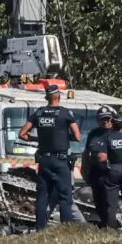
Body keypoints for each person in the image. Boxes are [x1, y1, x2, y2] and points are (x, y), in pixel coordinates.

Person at [19, 84, 81, 231]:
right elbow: (78, 137)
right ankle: (66, 230)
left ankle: (40, 229)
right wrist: (65, 137)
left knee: (42, 197)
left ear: (47, 97)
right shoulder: (65, 113)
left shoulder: (38, 113)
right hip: (60, 160)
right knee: (65, 197)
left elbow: (22, 134)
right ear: (58, 97)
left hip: (44, 161)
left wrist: (36, 139)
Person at [81, 105, 116, 227]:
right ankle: (103, 223)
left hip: (110, 172)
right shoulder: (93, 134)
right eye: (102, 119)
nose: (105, 122)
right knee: (98, 200)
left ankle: (111, 225)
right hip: (95, 172)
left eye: (107, 119)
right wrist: (83, 169)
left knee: (109, 202)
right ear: (98, 120)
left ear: (112, 119)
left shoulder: (116, 133)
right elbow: (86, 153)